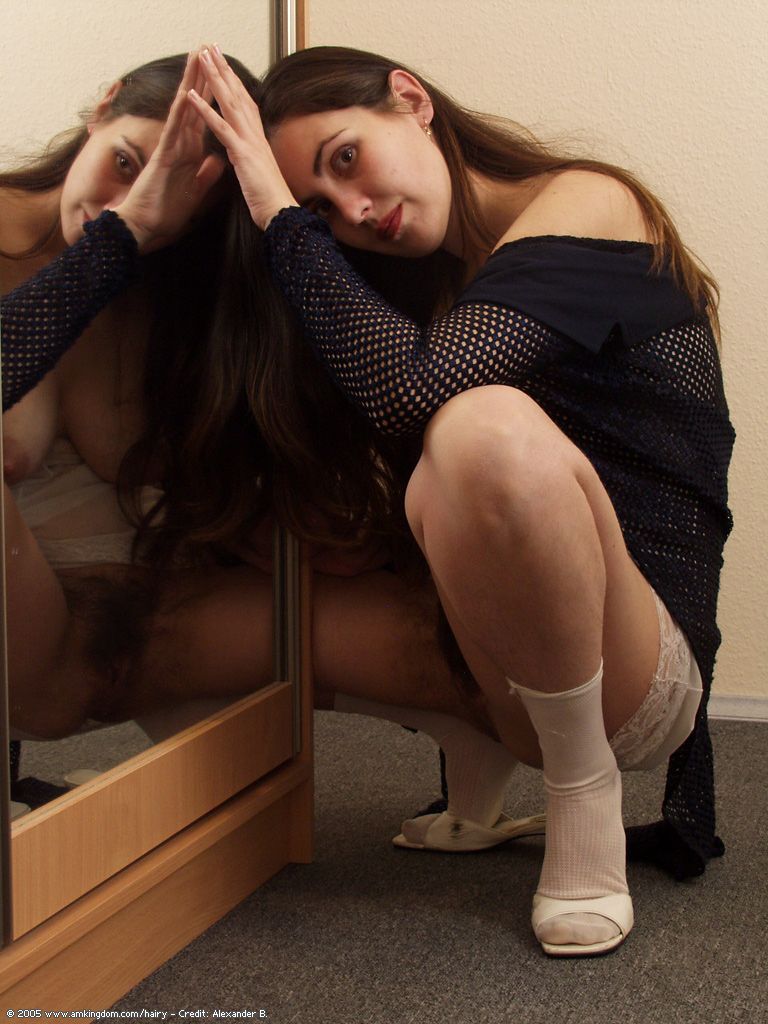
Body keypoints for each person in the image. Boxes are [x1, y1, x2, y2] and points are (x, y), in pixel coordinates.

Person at [187, 44, 735, 956]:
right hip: (503, 662)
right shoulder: (439, 279)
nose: (356, 213)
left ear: (410, 99)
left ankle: (581, 788)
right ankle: (473, 768)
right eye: (321, 209)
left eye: (346, 158)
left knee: (481, 428)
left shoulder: (591, 201)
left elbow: (416, 393)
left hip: (639, 664)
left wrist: (280, 215)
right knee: (203, 620)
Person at [0, 51, 543, 847]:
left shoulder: (140, 280)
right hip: (49, 636)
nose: (128, 201)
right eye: (126, 164)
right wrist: (125, 232)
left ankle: (484, 760)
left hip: (131, 592)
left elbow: (131, 452)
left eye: (172, 197)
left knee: (432, 634)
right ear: (102, 106)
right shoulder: (96, 241)